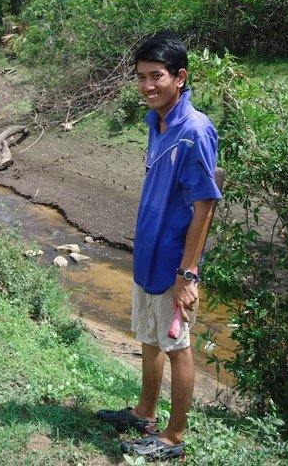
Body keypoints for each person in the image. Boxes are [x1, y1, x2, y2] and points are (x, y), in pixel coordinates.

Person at [96, 31, 223, 460]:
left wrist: (189, 274)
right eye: (141, 77)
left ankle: (174, 437)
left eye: (157, 76)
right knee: (150, 339)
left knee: (178, 348)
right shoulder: (158, 121)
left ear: (180, 77)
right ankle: (145, 413)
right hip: (148, 255)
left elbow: (205, 205)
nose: (147, 86)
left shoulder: (195, 130)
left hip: (173, 263)